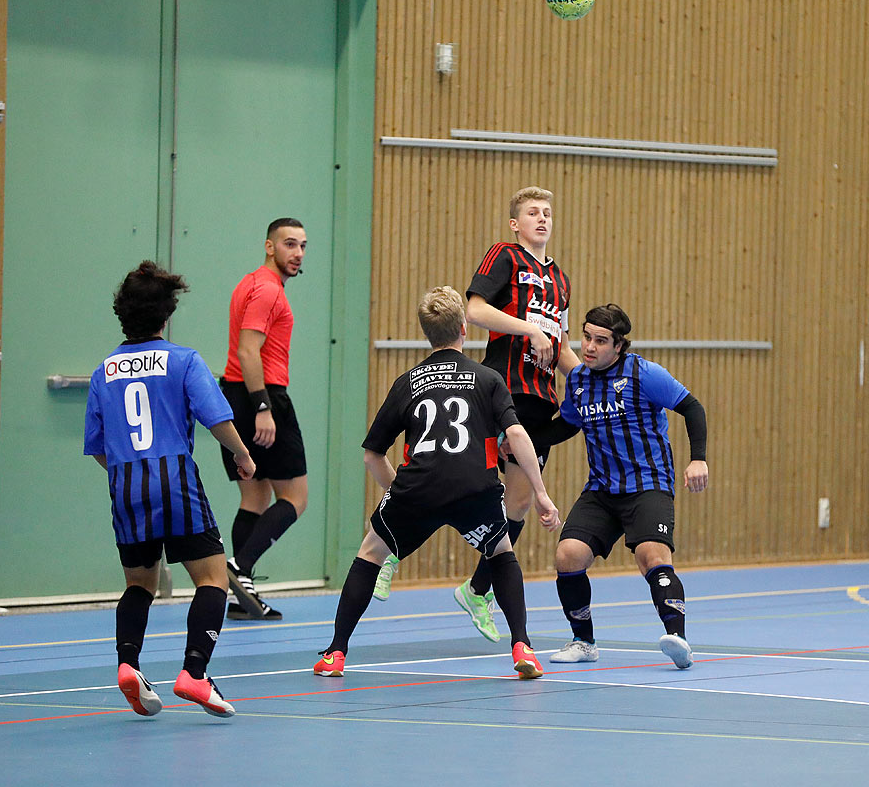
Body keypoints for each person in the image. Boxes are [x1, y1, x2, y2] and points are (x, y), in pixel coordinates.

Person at [314, 286, 560, 680]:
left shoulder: (407, 382)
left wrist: (397, 494)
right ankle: (523, 647)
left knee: (370, 553)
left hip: (419, 486)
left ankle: (335, 654)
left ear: (428, 334)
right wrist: (543, 495)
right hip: (474, 488)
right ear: (464, 328)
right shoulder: (488, 378)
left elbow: (371, 455)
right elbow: (516, 436)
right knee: (500, 550)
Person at [85, 262, 258, 719]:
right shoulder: (183, 360)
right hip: (174, 481)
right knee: (212, 579)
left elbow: (99, 448)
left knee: (139, 585)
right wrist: (242, 454)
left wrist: (126, 473)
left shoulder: (104, 371)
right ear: (166, 315)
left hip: (125, 486)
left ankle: (128, 665)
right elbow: (215, 417)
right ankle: (194, 673)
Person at [419, 187, 578, 641]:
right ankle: (387, 547)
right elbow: (475, 309)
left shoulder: (560, 280)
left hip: (541, 398)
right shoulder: (505, 256)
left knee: (521, 501)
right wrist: (530, 329)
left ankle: (476, 589)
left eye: (548, 212)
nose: (542, 219)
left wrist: (590, 378)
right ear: (516, 223)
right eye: (532, 213)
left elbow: (560, 345)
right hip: (502, 388)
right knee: (463, 478)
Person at [525, 304, 708, 669]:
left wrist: (698, 459)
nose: (589, 347)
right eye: (586, 337)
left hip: (648, 486)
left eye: (600, 341)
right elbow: (565, 427)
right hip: (602, 490)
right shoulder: (578, 380)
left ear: (619, 345)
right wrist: (519, 437)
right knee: (568, 555)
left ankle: (678, 639)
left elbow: (692, 408)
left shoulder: (644, 374)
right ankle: (584, 640)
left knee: (651, 557)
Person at [221, 218, 309, 621]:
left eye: (303, 246)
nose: (298, 253)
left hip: (236, 396)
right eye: (289, 244)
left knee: (253, 498)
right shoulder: (268, 290)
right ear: (269, 247)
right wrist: (262, 408)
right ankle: (239, 568)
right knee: (295, 498)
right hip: (262, 396)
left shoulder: (249, 283)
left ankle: (242, 593)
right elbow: (247, 350)